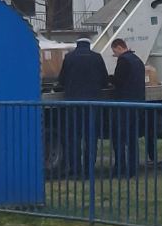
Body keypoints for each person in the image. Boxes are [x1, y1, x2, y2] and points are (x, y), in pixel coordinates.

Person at [52, 37, 109, 176]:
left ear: (77, 44)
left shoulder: (69, 58)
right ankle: (89, 169)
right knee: (91, 138)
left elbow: (61, 81)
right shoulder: (97, 58)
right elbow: (104, 81)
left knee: (74, 137)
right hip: (92, 104)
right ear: (89, 45)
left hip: (73, 104)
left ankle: (75, 169)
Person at [107, 38, 146, 176]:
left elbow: (119, 80)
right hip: (137, 103)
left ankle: (120, 167)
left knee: (118, 137)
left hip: (124, 104)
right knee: (132, 138)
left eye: (114, 52)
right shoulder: (137, 60)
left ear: (118, 47)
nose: (115, 55)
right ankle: (133, 168)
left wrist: (108, 79)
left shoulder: (123, 61)